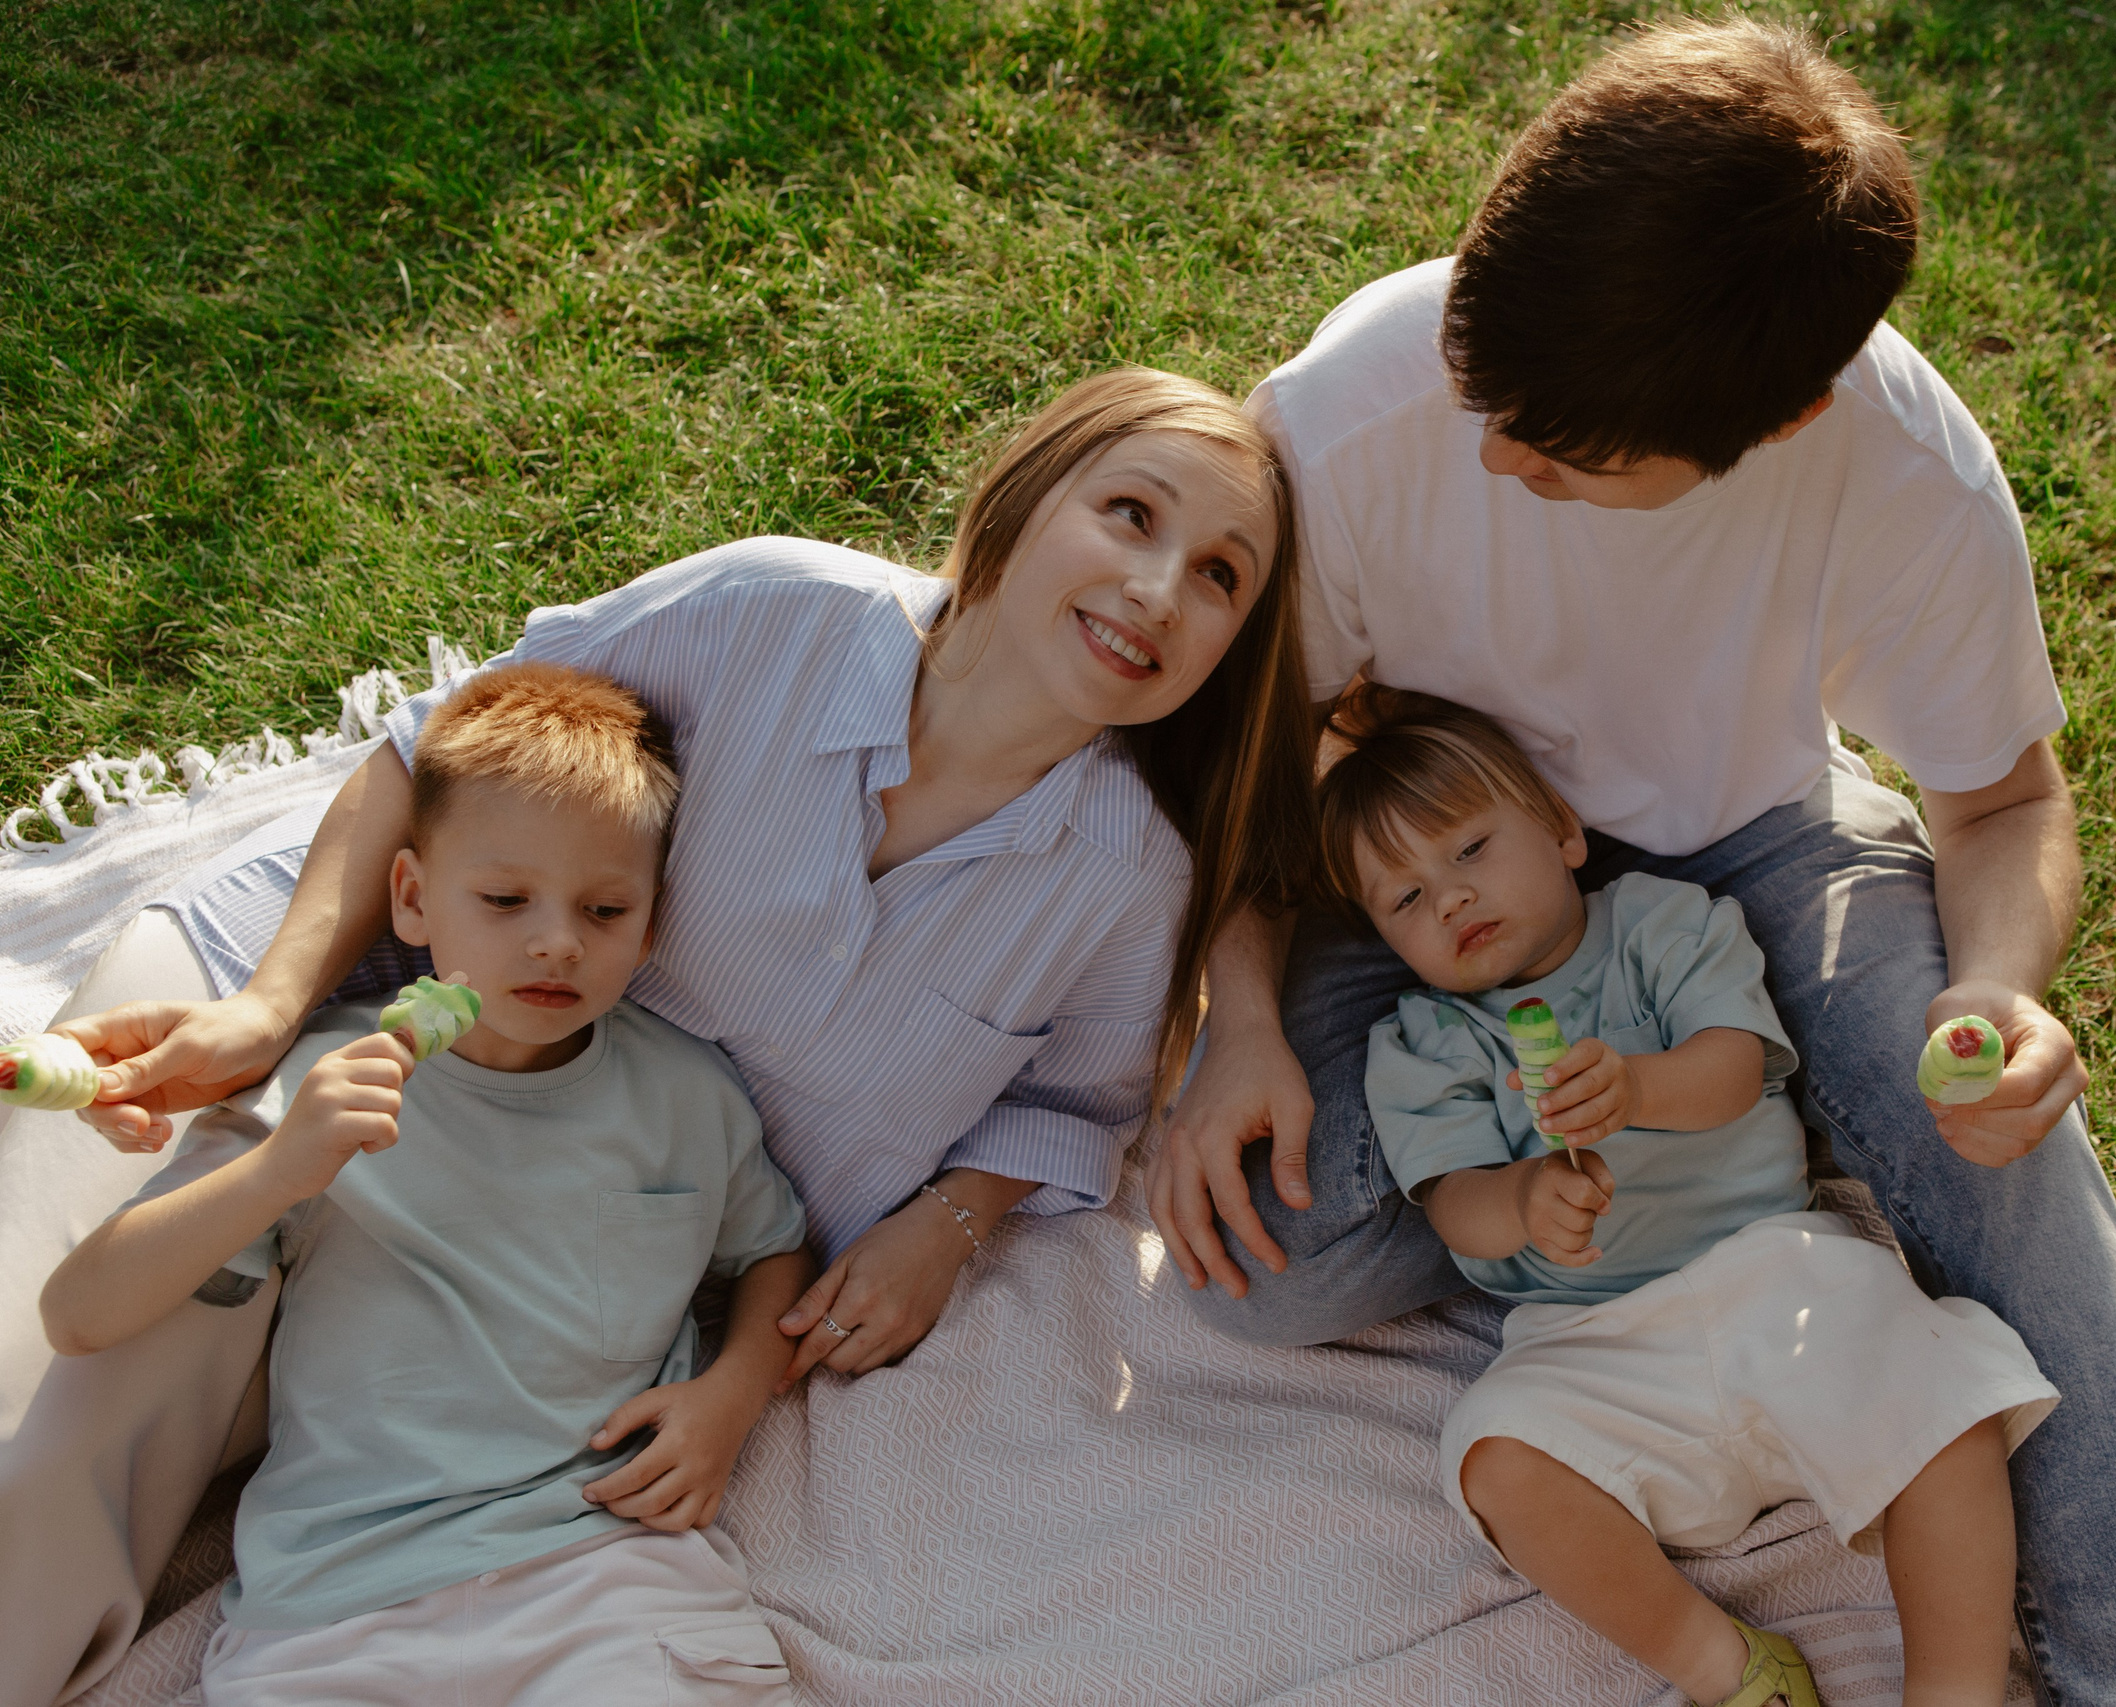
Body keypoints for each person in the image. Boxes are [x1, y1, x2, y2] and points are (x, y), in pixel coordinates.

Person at [1142, 18, 2116, 1707]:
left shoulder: (1900, 468)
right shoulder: (1359, 410)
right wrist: (1240, 1015)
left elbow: (2005, 801)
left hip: (1754, 837)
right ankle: (1748, 1118)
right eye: (1482, 392)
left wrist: (1996, 987)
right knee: (1267, 1259)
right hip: (1449, 849)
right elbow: (1236, 769)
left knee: (1996, 1146)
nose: (1496, 453)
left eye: (1564, 455)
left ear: (1789, 416)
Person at [0, 367, 1316, 1705]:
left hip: (560, 1276)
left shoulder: (1129, 876)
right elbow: (427, 754)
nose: (1161, 588)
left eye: (1221, 575)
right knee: (41, 1458)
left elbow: (1075, 1101)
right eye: (1130, 514)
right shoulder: (769, 611)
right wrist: (269, 1007)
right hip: (337, 1026)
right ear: (1023, 496)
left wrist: (948, 1225)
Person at [41, 662, 814, 1704]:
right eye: (504, 900)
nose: (556, 940)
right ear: (411, 897)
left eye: (604, 909)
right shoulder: (321, 1082)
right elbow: (79, 1313)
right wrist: (278, 1169)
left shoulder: (688, 1094)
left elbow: (773, 1249)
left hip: (603, 1572)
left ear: (650, 925)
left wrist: (731, 1395)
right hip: (330, 1603)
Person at [1328, 686, 2056, 1707]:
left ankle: (1954, 1687)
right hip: (1593, 1335)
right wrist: (1525, 1199)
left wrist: (1635, 1089)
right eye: (1403, 899)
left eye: (1470, 849)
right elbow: (1454, 1203)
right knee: (1495, 1459)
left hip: (1778, 1274)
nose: (1448, 899)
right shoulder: (1425, 1042)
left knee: (1947, 1400)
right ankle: (1727, 1665)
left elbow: (1731, 1071)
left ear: (1563, 830)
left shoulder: (1661, 924)